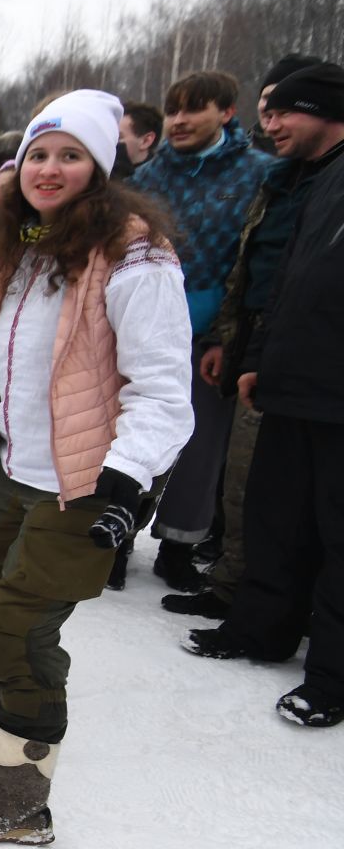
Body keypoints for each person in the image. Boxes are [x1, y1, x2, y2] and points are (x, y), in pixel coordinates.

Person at [0, 90, 192, 845]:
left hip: (85, 481)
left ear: (100, 169)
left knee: (8, 628)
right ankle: (26, 674)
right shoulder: (26, 246)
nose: (49, 168)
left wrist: (127, 479)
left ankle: (19, 801)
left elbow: (165, 390)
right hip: (18, 467)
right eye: (38, 154)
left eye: (70, 155)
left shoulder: (133, 256)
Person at [181, 63, 344, 727]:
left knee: (336, 535)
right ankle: (261, 627)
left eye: (284, 113)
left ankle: (331, 676)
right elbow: (278, 280)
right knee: (275, 517)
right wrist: (257, 360)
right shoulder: (310, 181)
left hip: (335, 390)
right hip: (291, 378)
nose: (268, 124)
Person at [129, 70, 278, 592]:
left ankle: (178, 544)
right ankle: (118, 535)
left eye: (194, 109)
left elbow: (254, 261)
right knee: (129, 432)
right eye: (173, 111)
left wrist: (222, 336)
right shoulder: (146, 179)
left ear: (226, 113)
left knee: (199, 443)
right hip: (141, 330)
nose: (180, 121)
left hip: (208, 333)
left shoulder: (258, 174)